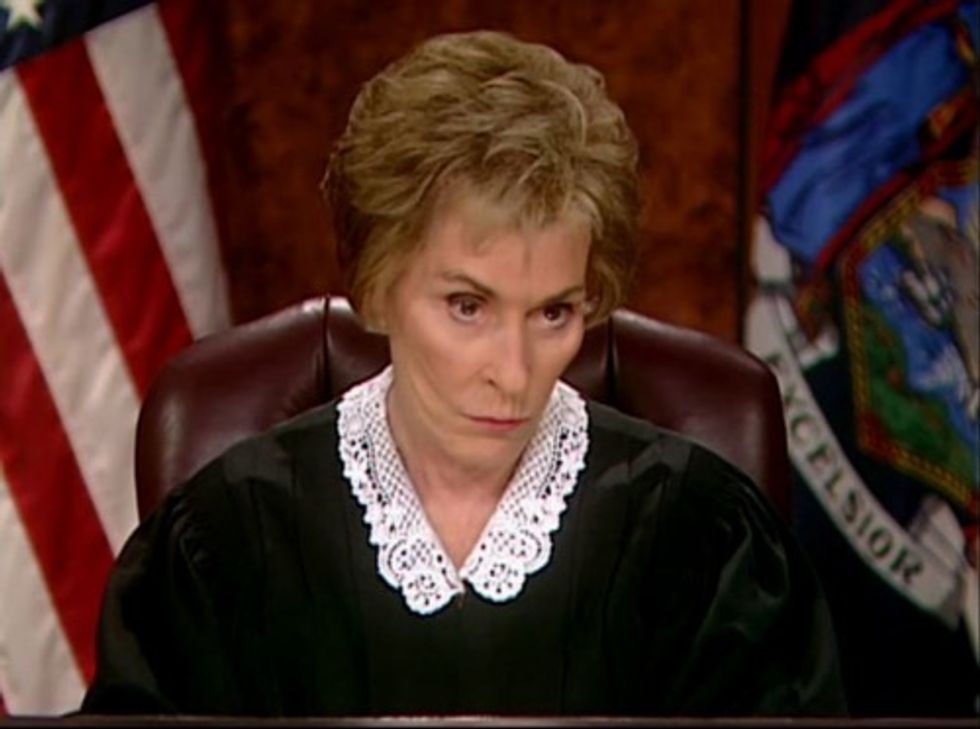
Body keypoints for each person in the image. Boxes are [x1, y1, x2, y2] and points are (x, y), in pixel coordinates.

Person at [82, 31, 846, 716]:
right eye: (467, 306)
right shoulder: (224, 539)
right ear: (379, 286)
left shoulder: (706, 540)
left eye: (554, 312)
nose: (513, 373)